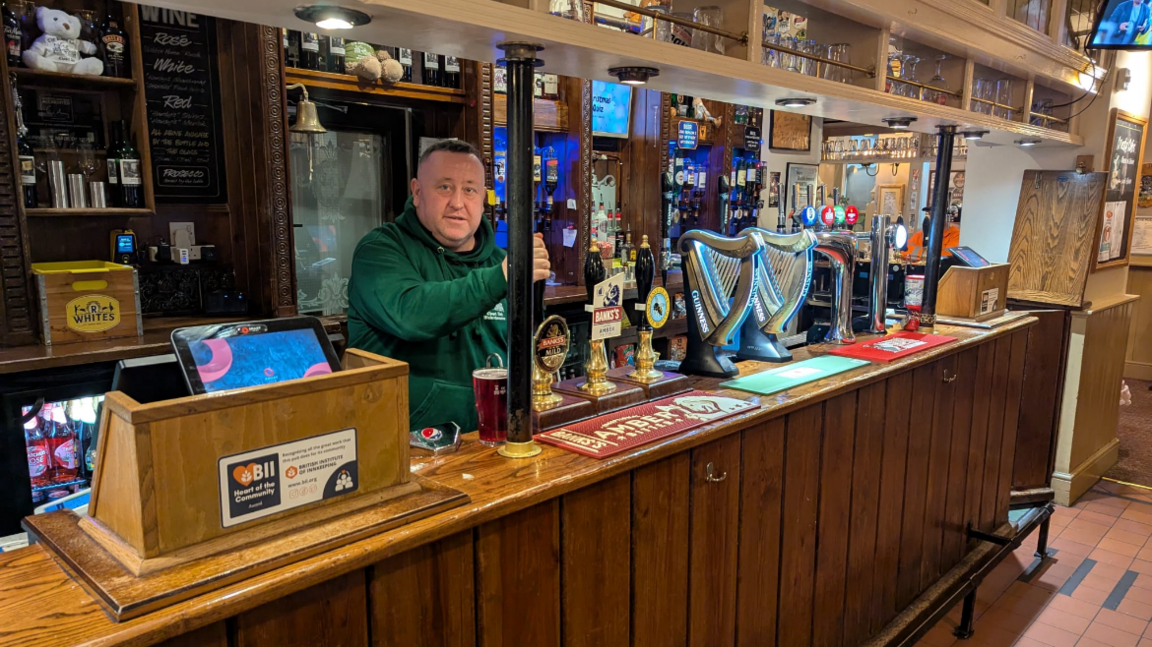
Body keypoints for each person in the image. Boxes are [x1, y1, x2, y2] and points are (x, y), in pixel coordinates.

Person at [348, 139, 551, 432]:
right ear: (417, 192)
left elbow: (530, 348)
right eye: (444, 187)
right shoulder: (380, 251)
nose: (458, 202)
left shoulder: (499, 262)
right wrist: (502, 278)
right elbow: (411, 314)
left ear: (483, 198)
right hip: (406, 447)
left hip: (495, 438)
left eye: (469, 189)